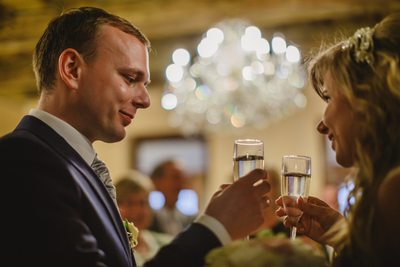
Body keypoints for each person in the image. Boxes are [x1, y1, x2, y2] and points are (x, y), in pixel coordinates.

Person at [0, 6, 271, 267]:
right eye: (130, 78)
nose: (144, 100)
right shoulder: (22, 159)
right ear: (72, 69)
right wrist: (214, 227)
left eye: (144, 85)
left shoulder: (68, 161)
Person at [276, 12, 400, 266]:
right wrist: (342, 235)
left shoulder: (394, 189)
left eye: (329, 97)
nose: (321, 126)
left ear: (366, 100)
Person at [115, 172, 173, 267]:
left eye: (142, 203)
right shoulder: (112, 250)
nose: (137, 211)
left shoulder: (166, 244)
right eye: (129, 203)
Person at [149, 159, 195, 236]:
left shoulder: (190, 221)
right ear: (157, 182)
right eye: (175, 177)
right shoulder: (147, 221)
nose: (181, 183)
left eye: (182, 178)